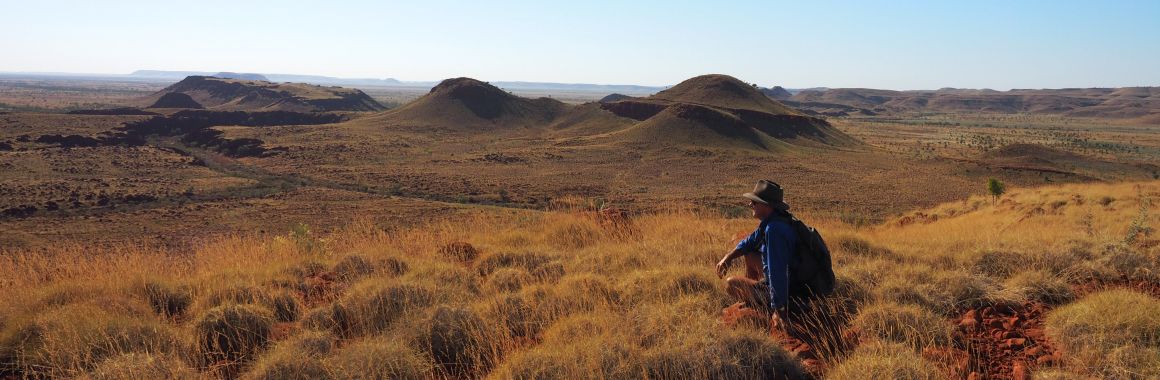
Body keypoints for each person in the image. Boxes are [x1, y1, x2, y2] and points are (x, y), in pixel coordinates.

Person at [716, 180, 797, 328]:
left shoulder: (774, 230)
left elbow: (777, 272)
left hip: (790, 289)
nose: (750, 205)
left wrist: (779, 310)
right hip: (794, 278)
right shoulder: (777, 220)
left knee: (731, 284)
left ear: (766, 205)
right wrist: (728, 257)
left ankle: (762, 304)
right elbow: (749, 242)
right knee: (751, 254)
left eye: (754, 202)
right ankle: (756, 295)